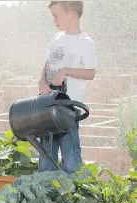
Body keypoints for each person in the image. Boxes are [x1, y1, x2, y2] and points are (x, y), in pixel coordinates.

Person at [38, 1, 96, 174]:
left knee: (70, 159)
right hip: (47, 104)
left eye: (56, 16)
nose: (54, 20)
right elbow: (48, 63)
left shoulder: (85, 42)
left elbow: (90, 73)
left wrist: (66, 71)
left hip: (69, 107)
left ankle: (72, 194)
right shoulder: (56, 38)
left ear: (72, 14)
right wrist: (41, 81)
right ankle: (47, 195)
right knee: (46, 159)